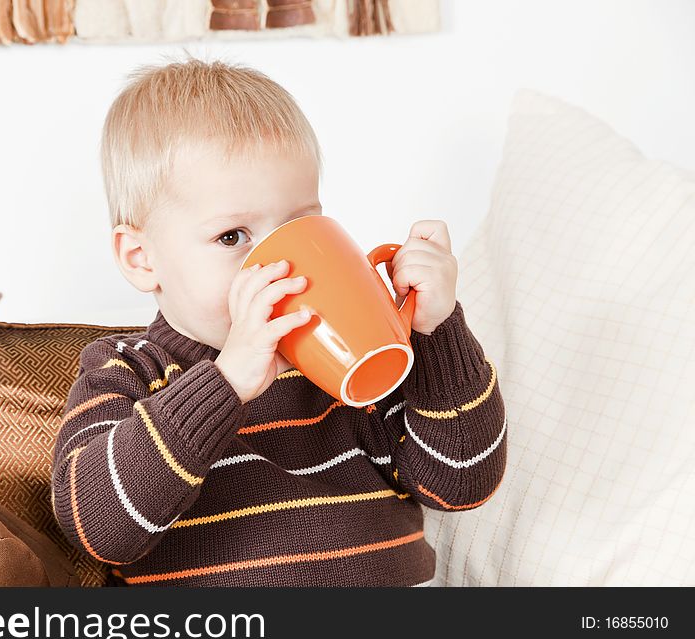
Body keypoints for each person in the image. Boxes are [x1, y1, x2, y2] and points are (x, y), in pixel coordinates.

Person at [51, 56, 507, 586]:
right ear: (140, 258)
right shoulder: (129, 371)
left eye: (298, 225)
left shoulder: (348, 363)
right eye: (232, 237)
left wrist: (438, 330)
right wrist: (224, 384)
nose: (276, 264)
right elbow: (98, 528)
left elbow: (463, 482)